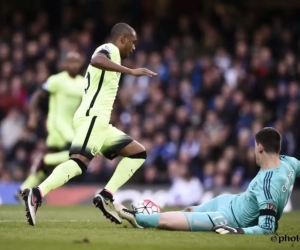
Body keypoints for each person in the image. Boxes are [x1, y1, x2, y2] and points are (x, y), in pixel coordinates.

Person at [22, 23, 156, 226]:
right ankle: (37, 193)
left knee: (138, 153)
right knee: (78, 163)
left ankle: (106, 195)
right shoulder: (109, 49)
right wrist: (130, 71)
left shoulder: (114, 56)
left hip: (99, 122)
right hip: (93, 118)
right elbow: (95, 60)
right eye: (133, 42)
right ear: (122, 39)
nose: (134, 47)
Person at [117, 127, 299, 234]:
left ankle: (138, 218)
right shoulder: (289, 163)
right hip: (230, 200)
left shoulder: (268, 185)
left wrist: (239, 231)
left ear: (259, 147)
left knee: (171, 222)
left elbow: (267, 229)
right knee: (189, 210)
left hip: (229, 218)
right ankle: (147, 217)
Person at [18, 52, 84, 197]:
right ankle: (44, 159)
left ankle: (23, 190)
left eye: (77, 62)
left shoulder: (83, 83)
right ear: (65, 64)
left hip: (71, 127)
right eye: (71, 62)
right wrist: (32, 117)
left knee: (47, 168)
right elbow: (36, 96)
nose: (74, 65)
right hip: (57, 127)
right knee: (78, 155)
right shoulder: (56, 80)